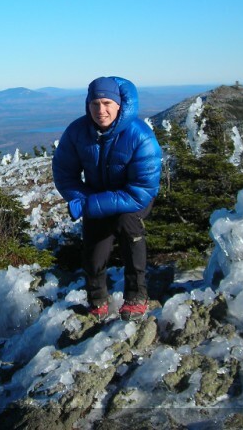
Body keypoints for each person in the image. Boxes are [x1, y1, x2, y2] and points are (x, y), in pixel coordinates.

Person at [52, 76, 162, 322]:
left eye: (106, 103)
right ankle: (97, 299)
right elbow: (64, 173)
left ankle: (136, 295)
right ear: (87, 105)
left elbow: (141, 190)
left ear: (119, 105)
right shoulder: (77, 132)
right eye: (95, 104)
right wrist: (85, 198)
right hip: (96, 195)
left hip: (134, 199)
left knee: (126, 224)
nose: (100, 110)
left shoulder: (140, 136)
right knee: (94, 248)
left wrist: (90, 204)